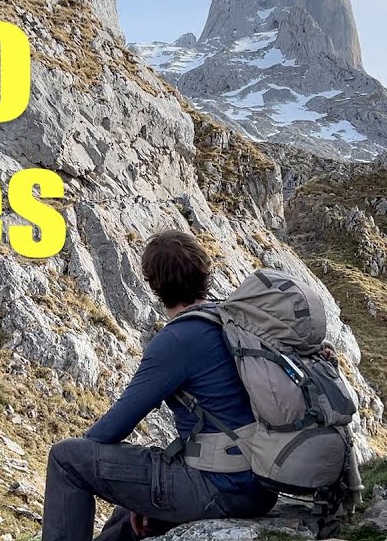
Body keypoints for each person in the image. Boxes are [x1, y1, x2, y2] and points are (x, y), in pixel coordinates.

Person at [42, 230, 278, 541]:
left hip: (222, 487)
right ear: (204, 272)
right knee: (127, 513)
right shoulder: (231, 322)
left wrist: (89, 454)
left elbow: (110, 430)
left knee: (66, 458)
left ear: (154, 285)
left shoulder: (177, 340)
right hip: (260, 482)